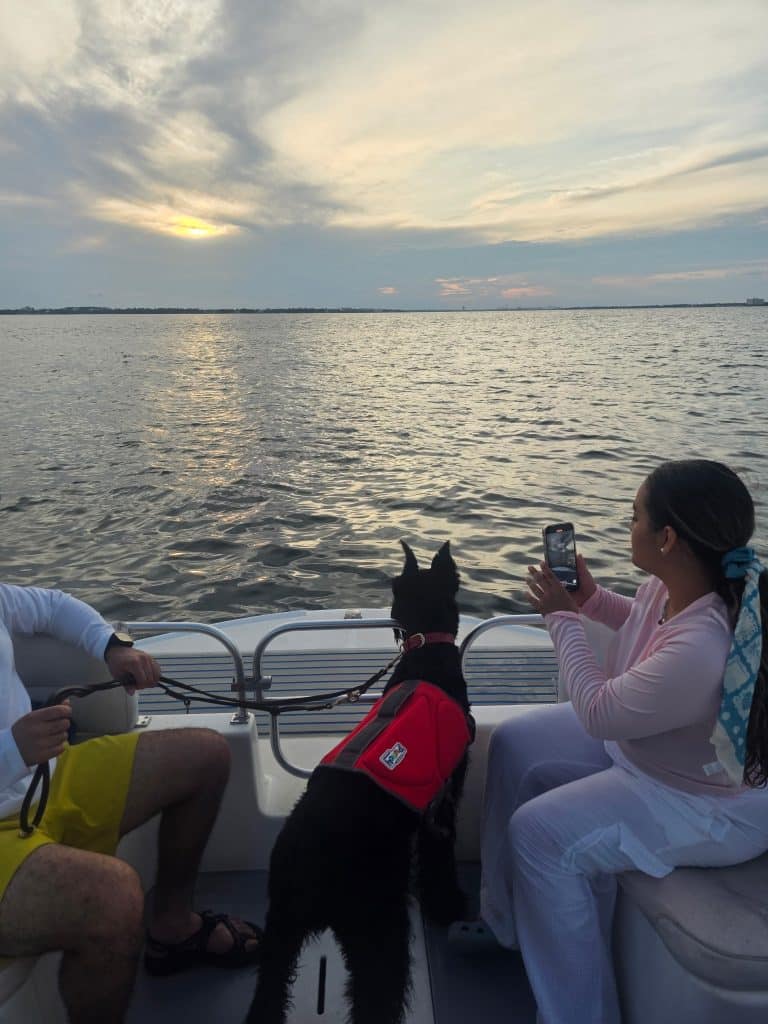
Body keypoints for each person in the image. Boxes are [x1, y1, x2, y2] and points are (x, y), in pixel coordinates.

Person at [478, 459, 768, 1024]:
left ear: (668, 538)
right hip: (656, 754)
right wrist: (588, 599)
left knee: (537, 833)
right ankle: (507, 923)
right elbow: (643, 619)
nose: (625, 523)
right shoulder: (673, 585)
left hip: (706, 805)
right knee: (514, 745)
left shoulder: (703, 646)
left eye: (634, 515)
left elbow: (599, 711)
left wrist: (562, 619)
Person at [0, 583, 261, 1023]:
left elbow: (49, 607)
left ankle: (173, 930)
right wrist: (9, 753)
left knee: (207, 755)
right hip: (18, 780)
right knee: (114, 897)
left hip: (43, 778)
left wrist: (112, 645)